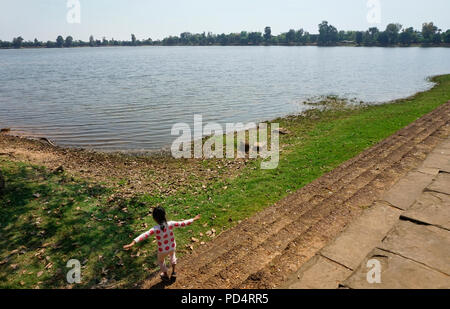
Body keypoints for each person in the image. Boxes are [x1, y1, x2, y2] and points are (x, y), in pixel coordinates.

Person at [124, 206, 201, 282]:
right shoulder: (171, 224)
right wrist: (194, 219)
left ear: (154, 218)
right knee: (173, 256)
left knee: (161, 261)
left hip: (162, 250)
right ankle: (174, 272)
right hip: (172, 246)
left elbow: (144, 235)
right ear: (165, 215)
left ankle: (165, 274)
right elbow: (183, 223)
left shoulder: (155, 229)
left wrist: (133, 242)